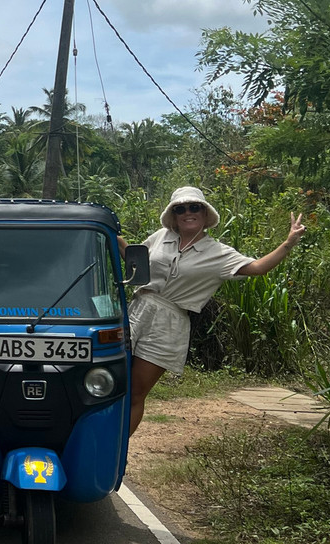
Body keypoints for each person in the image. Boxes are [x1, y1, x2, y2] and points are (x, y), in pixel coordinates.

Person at [119, 186, 305, 435]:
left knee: (135, 393)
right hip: (137, 310)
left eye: (194, 207)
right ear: (173, 215)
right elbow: (134, 261)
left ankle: (116, 452)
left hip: (169, 324)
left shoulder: (217, 253)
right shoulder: (161, 236)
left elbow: (258, 268)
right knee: (111, 384)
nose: (188, 212)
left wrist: (288, 243)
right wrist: (107, 230)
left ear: (205, 214)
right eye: (180, 208)